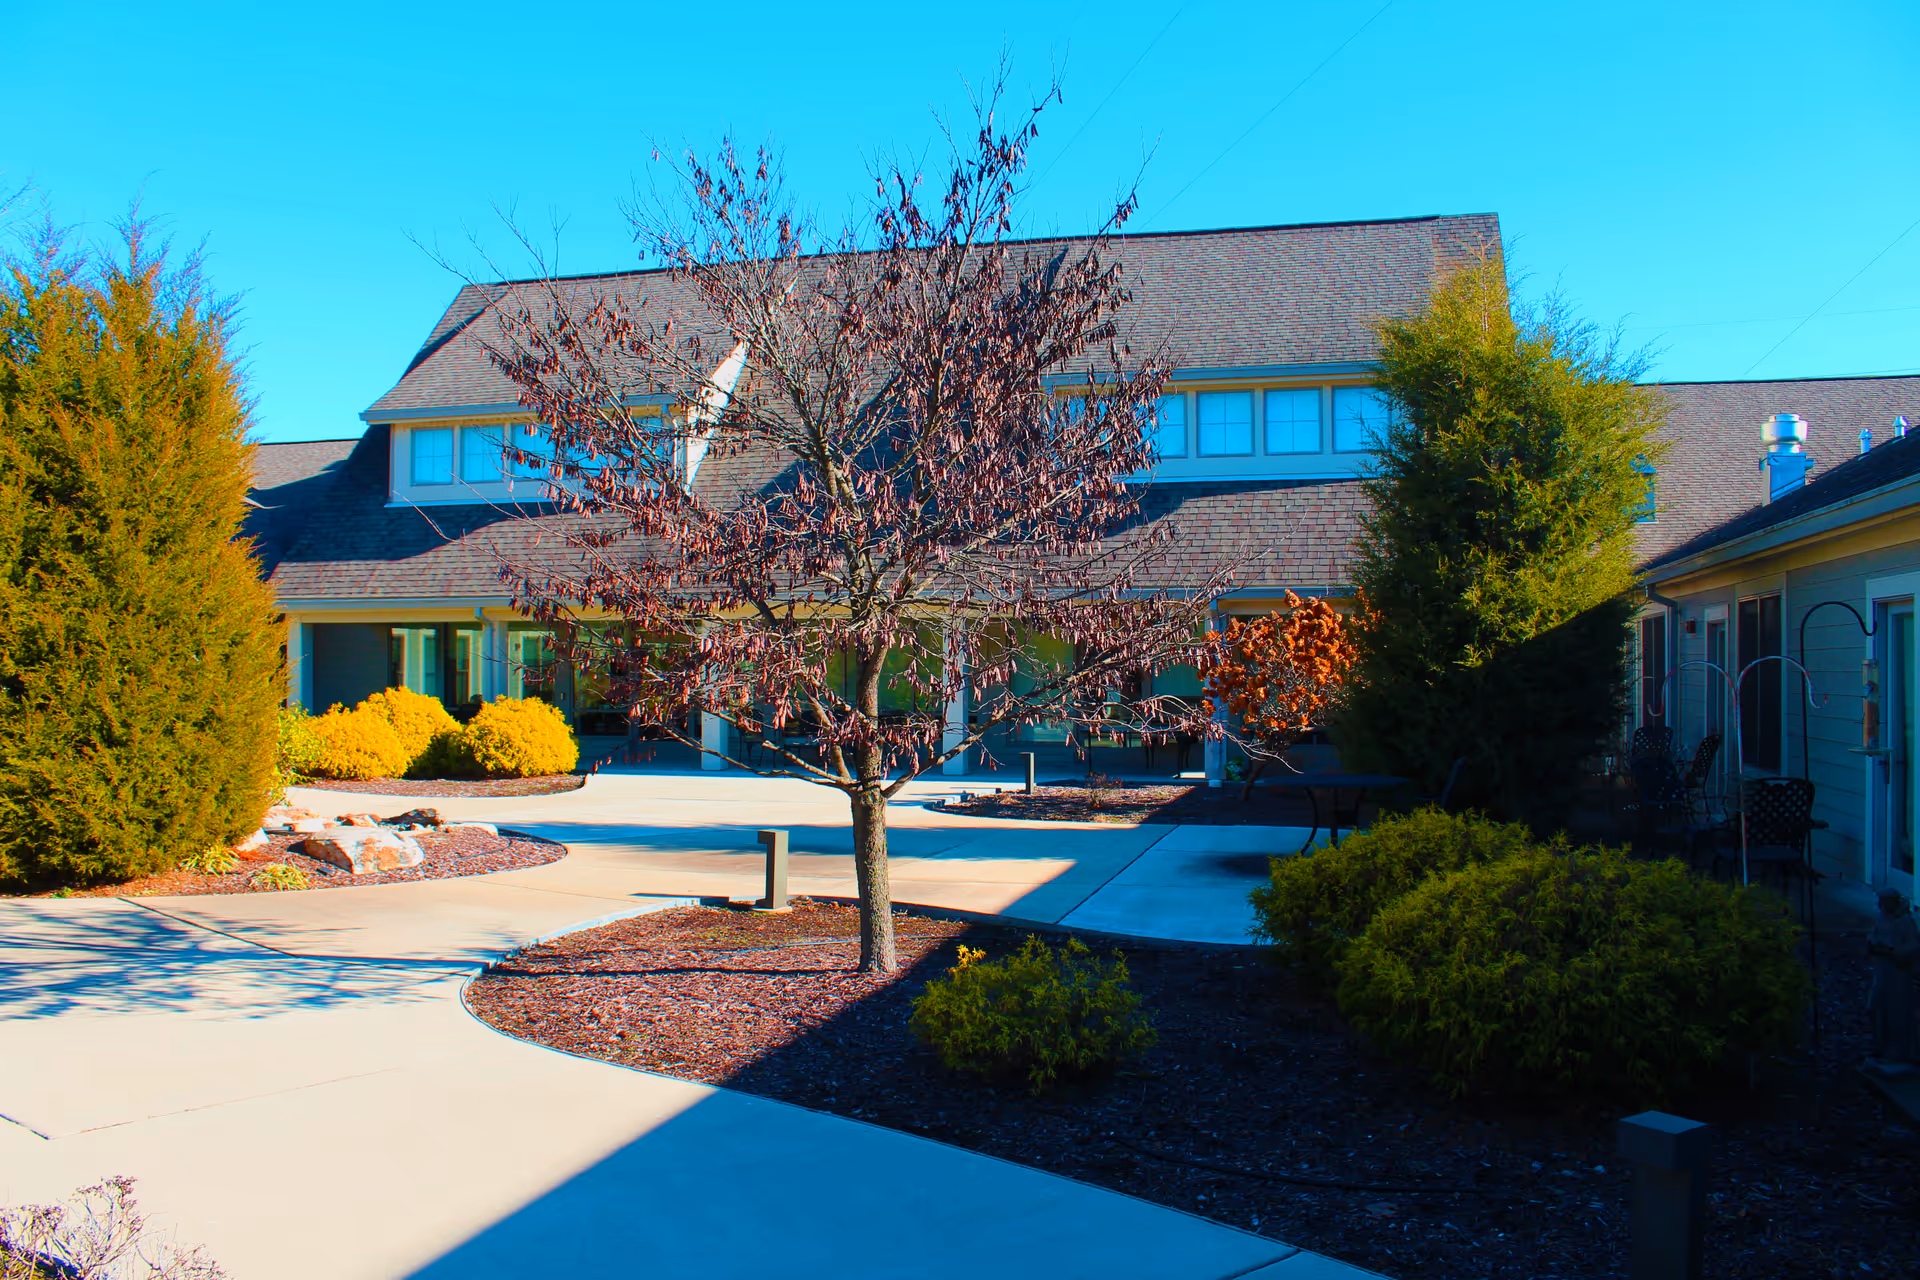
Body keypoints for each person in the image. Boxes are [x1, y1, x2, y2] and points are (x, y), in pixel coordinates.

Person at [1866, 888, 1920, 1073]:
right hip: (1883, 973)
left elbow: (1913, 947)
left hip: (1898, 976)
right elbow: (1874, 936)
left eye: (1884, 901)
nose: (1880, 905)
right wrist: (1874, 946)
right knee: (1877, 1008)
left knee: (1897, 1012)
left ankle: (1898, 1052)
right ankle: (1882, 1048)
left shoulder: (1906, 921)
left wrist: (1893, 953)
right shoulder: (1883, 919)